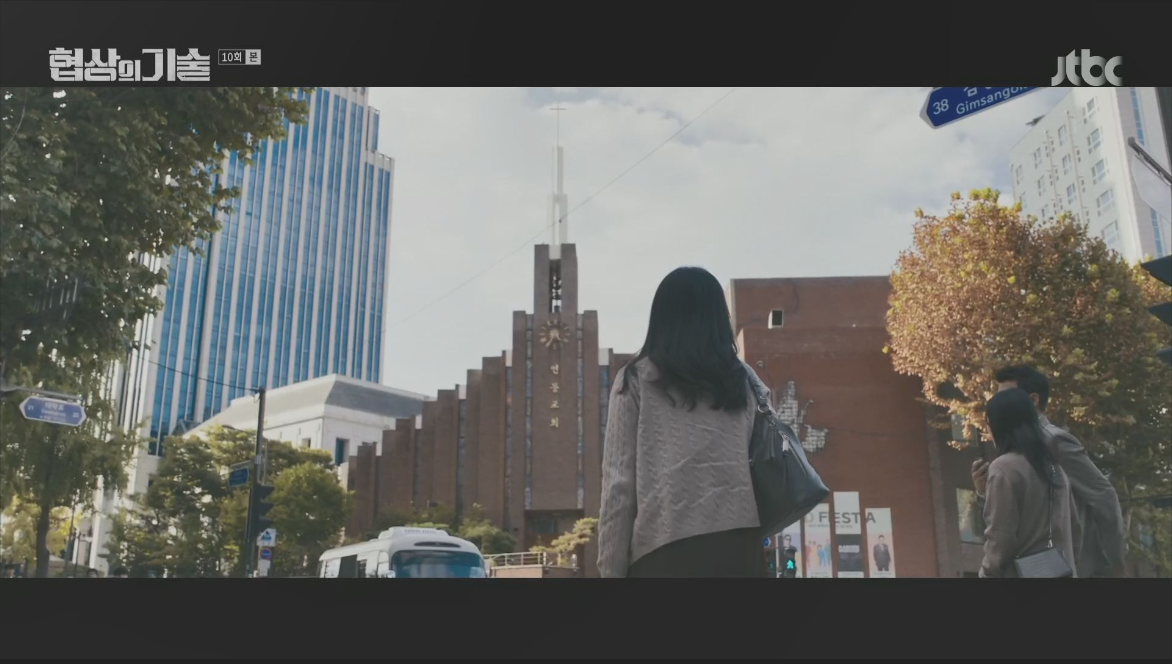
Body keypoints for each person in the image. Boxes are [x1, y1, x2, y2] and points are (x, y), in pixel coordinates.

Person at [597, 267, 766, 578]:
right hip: (741, 548)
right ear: (719, 319)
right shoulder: (744, 380)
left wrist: (610, 569)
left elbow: (619, 485)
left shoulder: (636, 379)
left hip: (664, 548)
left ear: (661, 318)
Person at [971, 365, 1127, 578]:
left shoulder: (1053, 442)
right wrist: (985, 492)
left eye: (1008, 396)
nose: (1000, 403)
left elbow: (1103, 495)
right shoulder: (1022, 455)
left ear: (1032, 400)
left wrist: (1115, 562)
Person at [979, 388, 1077, 578]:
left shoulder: (1003, 468)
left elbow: (999, 540)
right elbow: (1075, 530)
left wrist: (985, 574)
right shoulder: (1055, 468)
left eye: (988, 423)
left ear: (998, 425)